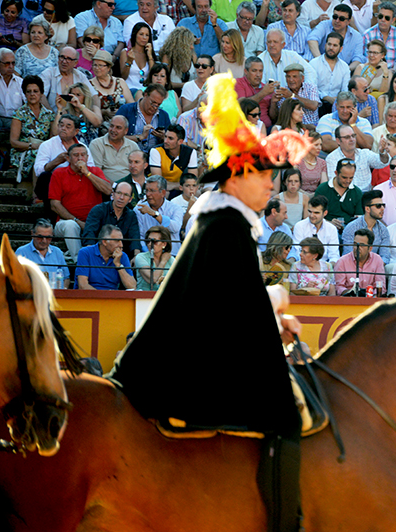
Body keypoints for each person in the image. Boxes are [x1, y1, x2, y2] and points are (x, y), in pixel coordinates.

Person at [109, 78, 309, 529]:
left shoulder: (221, 220)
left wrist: (269, 302)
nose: (271, 187)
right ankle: (284, 525)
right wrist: (275, 300)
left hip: (182, 354)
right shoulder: (226, 225)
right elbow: (234, 310)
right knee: (285, 412)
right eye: (264, 176)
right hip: (191, 366)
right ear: (238, 177)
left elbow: (228, 299)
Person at [48, 142, 110, 259]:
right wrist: (77, 221)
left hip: (94, 221)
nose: (80, 158)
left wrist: (87, 173)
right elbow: (54, 205)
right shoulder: (59, 173)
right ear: (68, 158)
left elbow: (108, 190)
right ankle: (79, 260)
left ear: (87, 157)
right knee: (70, 226)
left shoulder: (94, 171)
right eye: (76, 155)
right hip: (66, 221)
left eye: (83, 155)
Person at [9, 74, 54, 186]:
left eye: (35, 91)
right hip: (24, 152)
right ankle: (36, 196)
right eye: (28, 91)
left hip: (44, 150)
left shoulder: (49, 115)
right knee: (38, 155)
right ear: (24, 94)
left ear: (41, 93)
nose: (32, 94)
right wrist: (32, 146)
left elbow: (53, 138)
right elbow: (13, 142)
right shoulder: (19, 113)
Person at [81, 181, 141, 256]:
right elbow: (89, 234)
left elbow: (134, 238)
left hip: (122, 255)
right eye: (119, 193)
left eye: (125, 195)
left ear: (130, 199)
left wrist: (136, 256)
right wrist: (91, 256)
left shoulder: (131, 215)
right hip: (99, 254)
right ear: (113, 194)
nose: (121, 198)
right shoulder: (98, 210)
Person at [133, 176, 183, 256]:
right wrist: (149, 253)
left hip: (172, 255)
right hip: (148, 255)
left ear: (163, 193)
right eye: (147, 190)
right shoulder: (139, 209)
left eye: (152, 191)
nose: (148, 194)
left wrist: (154, 214)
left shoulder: (176, 208)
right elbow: (140, 236)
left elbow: (175, 228)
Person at [75, 224, 136, 290]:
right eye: (117, 241)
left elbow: (132, 286)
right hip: (90, 297)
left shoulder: (122, 256)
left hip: (112, 297)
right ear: (104, 242)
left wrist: (118, 265)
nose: (121, 245)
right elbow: (83, 285)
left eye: (121, 241)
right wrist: (103, 298)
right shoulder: (85, 253)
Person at [15, 218, 69, 287]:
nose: (44, 241)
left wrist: (62, 292)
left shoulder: (57, 252)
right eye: (40, 237)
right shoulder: (21, 252)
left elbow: (66, 278)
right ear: (32, 234)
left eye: (48, 237)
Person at [116, 83, 170, 152]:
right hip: (128, 155)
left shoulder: (164, 115)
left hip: (154, 158)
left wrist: (163, 138)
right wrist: (140, 137)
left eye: (158, 105)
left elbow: (171, 142)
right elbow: (115, 137)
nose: (155, 107)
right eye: (153, 103)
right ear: (145, 95)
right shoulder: (126, 110)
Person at [333, 228, 386, 295]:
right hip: (349, 300)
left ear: (370, 248)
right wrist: (350, 294)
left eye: (362, 245)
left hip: (371, 300)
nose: (357, 248)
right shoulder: (342, 261)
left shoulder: (377, 260)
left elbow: (381, 286)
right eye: (355, 244)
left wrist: (370, 295)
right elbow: (339, 287)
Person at [362, 2, 396, 68]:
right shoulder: (368, 34)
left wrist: (390, 73)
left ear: (393, 20)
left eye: (387, 18)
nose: (383, 20)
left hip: (393, 72)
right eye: (380, 16)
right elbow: (366, 59)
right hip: (372, 71)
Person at [134, 225, 174, 291]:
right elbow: (153, 279)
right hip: (142, 298)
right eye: (148, 241)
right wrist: (163, 261)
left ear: (164, 244)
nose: (150, 244)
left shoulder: (172, 260)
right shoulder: (141, 257)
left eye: (154, 241)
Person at [119, 22, 156, 92]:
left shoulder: (149, 54)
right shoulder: (125, 52)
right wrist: (129, 61)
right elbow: (123, 76)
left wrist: (150, 56)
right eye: (141, 34)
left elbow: (153, 76)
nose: (144, 38)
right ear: (135, 35)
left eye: (147, 35)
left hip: (145, 91)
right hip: (129, 90)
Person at [158, 27, 197, 91]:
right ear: (180, 45)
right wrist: (185, 85)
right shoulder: (167, 57)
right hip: (173, 92)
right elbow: (164, 82)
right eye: (189, 44)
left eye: (192, 44)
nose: (192, 47)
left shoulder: (193, 56)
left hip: (191, 93)